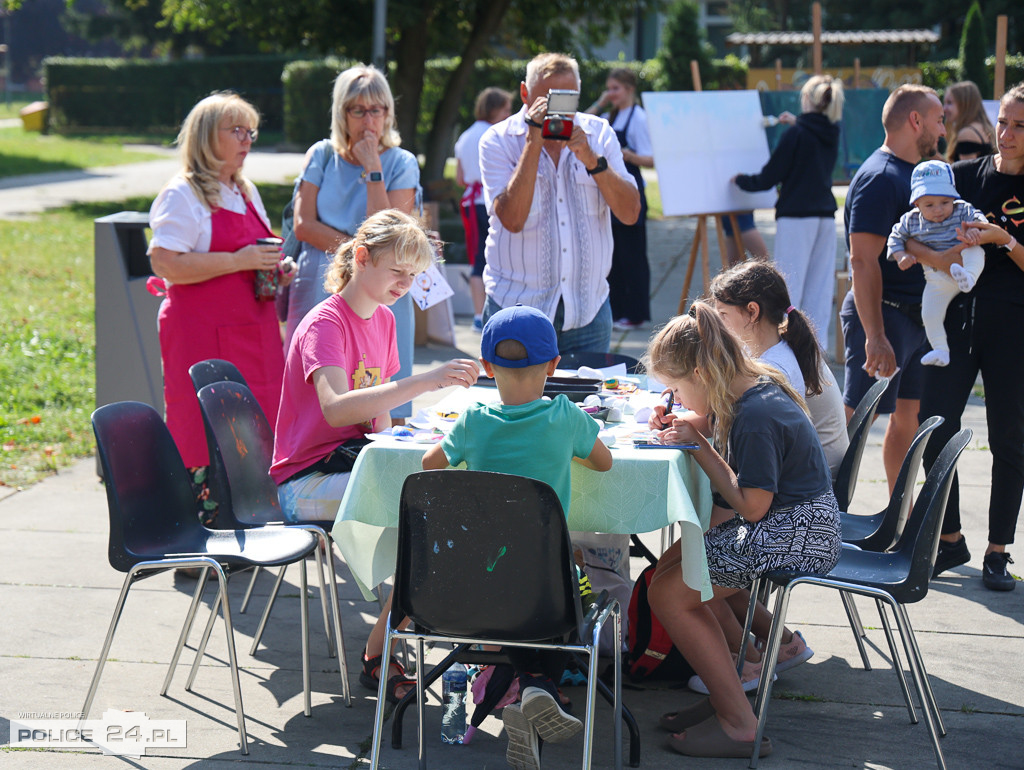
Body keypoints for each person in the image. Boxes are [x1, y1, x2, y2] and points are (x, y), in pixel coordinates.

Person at [269, 209, 481, 699]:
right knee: (431, 518)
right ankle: (382, 653)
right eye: (397, 272)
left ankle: (408, 641)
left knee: (451, 500)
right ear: (362, 258)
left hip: (352, 467)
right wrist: (426, 381)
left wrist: (422, 440)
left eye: (414, 276)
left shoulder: (383, 319)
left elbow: (379, 425)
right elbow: (339, 410)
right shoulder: (324, 324)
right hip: (306, 485)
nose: (405, 284)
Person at [642, 303, 840, 758]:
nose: (677, 400)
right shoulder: (752, 389)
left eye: (677, 391)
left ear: (699, 372)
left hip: (798, 532)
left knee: (671, 594)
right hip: (798, 520)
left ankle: (738, 723)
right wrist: (696, 424)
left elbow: (752, 506)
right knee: (672, 567)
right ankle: (726, 696)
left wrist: (698, 444)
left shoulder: (756, 414)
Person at [422, 305, 613, 769]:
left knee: (519, 588)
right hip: (547, 583)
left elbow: (430, 467)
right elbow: (604, 462)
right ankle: (537, 686)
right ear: (554, 365)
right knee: (570, 578)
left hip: (477, 581)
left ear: (486, 368)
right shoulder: (566, 417)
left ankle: (525, 699)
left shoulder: (473, 420)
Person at [147, 91, 294, 523]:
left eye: (250, 131)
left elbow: (255, 252)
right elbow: (165, 261)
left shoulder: (243, 190)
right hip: (202, 335)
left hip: (254, 329)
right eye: (237, 130)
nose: (247, 139)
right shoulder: (184, 193)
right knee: (200, 426)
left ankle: (248, 524)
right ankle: (198, 538)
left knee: (251, 423)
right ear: (209, 137)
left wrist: (274, 269)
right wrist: (239, 260)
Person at [910, 83, 1024, 590]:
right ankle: (950, 538)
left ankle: (999, 549)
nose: (1007, 133)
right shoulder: (961, 177)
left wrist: (1005, 239)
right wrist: (933, 256)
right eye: (1004, 122)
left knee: (1009, 438)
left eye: (1020, 126)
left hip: (1013, 327)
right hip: (954, 323)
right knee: (936, 423)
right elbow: (911, 227)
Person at [479, 52, 641, 355]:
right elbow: (512, 220)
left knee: (589, 404)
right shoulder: (498, 140)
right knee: (516, 404)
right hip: (516, 311)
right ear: (524, 94)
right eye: (545, 98)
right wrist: (533, 141)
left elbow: (630, 213)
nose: (555, 108)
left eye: (564, 98)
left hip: (588, 313)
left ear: (577, 96)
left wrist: (592, 159)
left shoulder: (598, 133)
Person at [286, 64, 420, 422]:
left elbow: (388, 235)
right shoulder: (322, 155)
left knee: (383, 395)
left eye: (376, 109)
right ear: (341, 113)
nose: (368, 119)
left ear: (388, 113)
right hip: (320, 282)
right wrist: (358, 254)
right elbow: (303, 224)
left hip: (381, 285)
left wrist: (373, 169)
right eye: (357, 110)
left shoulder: (401, 162)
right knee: (317, 393)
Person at [840, 84, 946, 495]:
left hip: (914, 319)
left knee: (908, 417)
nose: (941, 129)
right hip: (884, 317)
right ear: (915, 120)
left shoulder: (912, 172)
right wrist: (876, 335)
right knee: (853, 421)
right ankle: (817, 518)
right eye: (937, 119)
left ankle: (896, 515)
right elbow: (862, 260)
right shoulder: (882, 178)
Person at [709, 260, 849, 477]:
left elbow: (733, 425)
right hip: (809, 475)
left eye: (723, 315)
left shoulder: (773, 371)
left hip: (808, 487)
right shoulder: (776, 341)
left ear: (753, 312)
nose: (719, 325)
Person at [734, 75, 845, 345]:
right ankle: (816, 351)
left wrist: (738, 180)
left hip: (797, 216)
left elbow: (769, 177)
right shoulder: (831, 132)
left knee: (789, 287)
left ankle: (787, 347)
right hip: (825, 217)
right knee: (819, 289)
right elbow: (813, 132)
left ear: (806, 100)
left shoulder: (796, 133)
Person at [886, 160, 987, 367]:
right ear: (916, 204)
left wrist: (977, 229)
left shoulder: (961, 210)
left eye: (945, 202)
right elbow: (895, 237)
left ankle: (968, 278)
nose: (938, 210)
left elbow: (979, 218)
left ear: (953, 198)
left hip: (963, 260)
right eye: (929, 205)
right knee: (929, 314)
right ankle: (941, 349)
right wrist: (900, 256)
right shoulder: (911, 220)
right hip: (936, 278)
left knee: (976, 252)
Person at [586, 67, 654, 331]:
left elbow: (651, 158)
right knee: (612, 255)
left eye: (616, 89)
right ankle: (617, 310)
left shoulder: (638, 118)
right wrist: (601, 102)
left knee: (632, 255)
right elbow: (577, 125)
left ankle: (635, 313)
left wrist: (625, 155)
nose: (611, 93)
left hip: (630, 190)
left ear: (629, 89)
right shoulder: (609, 114)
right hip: (608, 191)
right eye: (609, 88)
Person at [454, 87, 514, 332]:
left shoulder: (465, 136)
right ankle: (491, 313)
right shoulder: (497, 134)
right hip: (491, 201)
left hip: (470, 201)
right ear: (495, 109)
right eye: (506, 110)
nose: (509, 115)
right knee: (496, 257)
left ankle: (479, 314)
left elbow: (459, 178)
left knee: (477, 257)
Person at [943, 81, 997, 163]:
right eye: (945, 103)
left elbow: (966, 172)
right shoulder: (986, 127)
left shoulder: (967, 133)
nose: (944, 109)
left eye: (949, 103)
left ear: (965, 104)